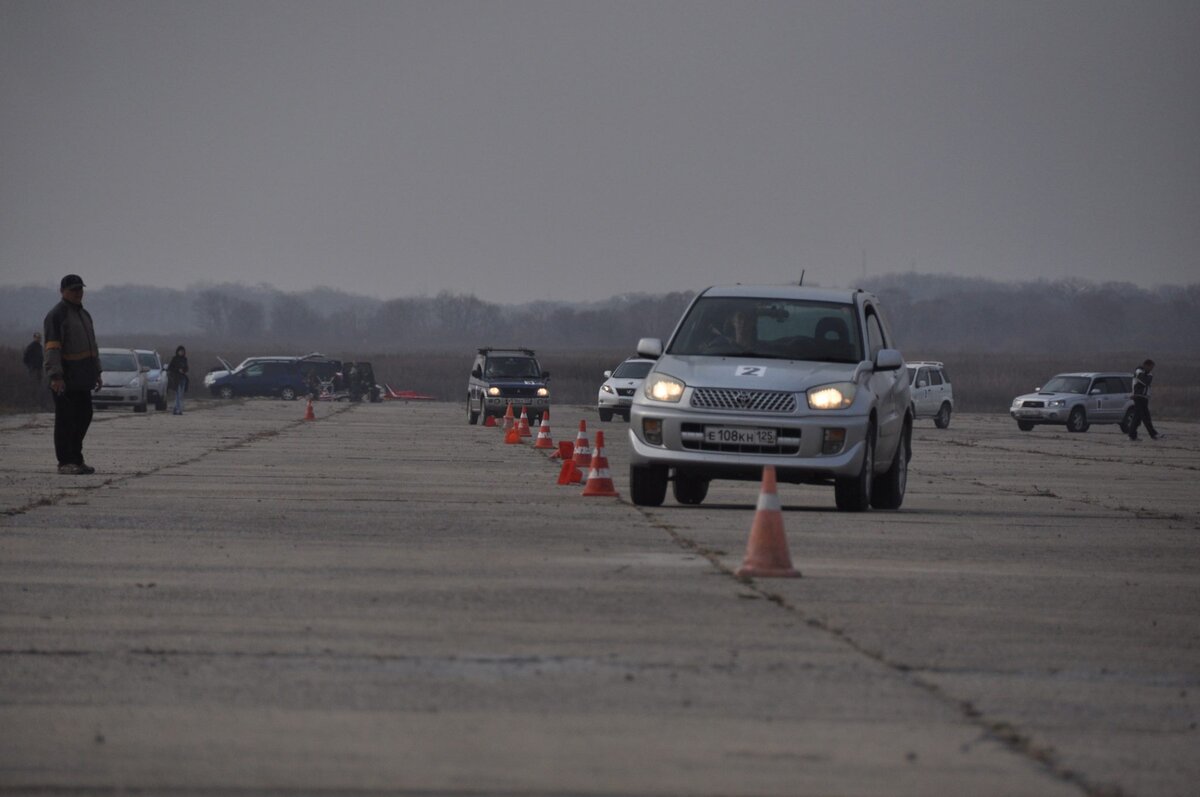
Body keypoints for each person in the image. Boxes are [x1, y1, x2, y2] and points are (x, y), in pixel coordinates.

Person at [43, 274, 102, 475]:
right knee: (66, 420)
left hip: (83, 378)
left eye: (80, 289)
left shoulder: (84, 315)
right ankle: (65, 462)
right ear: (63, 291)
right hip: (65, 379)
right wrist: (56, 376)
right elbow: (52, 348)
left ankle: (77, 458)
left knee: (84, 416)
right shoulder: (57, 315)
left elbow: (93, 346)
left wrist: (97, 371)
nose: (78, 293)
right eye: (74, 290)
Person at [1128, 359, 1160, 441]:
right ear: (1146, 365)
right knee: (1145, 416)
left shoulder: (1148, 373)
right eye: (1151, 367)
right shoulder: (1139, 371)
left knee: (1137, 417)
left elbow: (1148, 380)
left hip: (1144, 397)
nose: (1151, 369)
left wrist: (1147, 376)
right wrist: (1147, 376)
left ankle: (1132, 435)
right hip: (1138, 396)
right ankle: (1153, 434)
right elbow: (1145, 381)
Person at [166, 345, 189, 415]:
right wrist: (178, 370)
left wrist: (184, 370)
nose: (181, 352)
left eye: (183, 351)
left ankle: (175, 409)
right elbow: (170, 368)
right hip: (176, 378)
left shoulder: (185, 359)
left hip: (183, 378)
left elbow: (187, 368)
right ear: (177, 351)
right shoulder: (174, 359)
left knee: (180, 395)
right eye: (180, 351)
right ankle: (179, 409)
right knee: (178, 394)